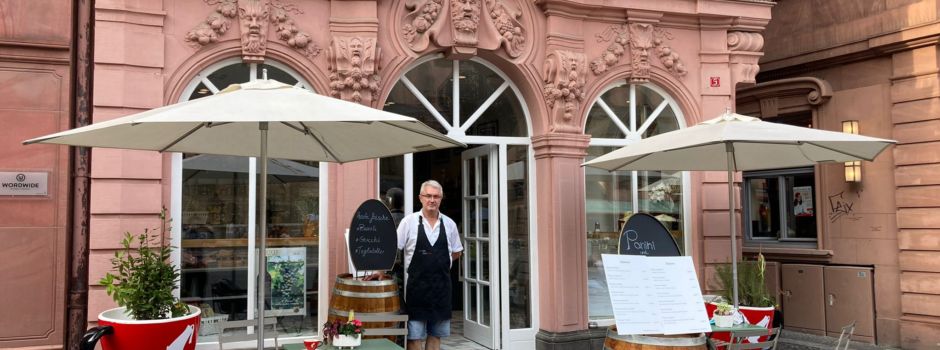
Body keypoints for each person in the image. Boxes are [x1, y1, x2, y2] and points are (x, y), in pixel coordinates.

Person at [397, 180, 463, 350]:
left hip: (441, 291)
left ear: (441, 198)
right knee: (414, 337)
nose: (432, 200)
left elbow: (457, 252)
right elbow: (394, 248)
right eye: (428, 196)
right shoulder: (408, 222)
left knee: (435, 335)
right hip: (416, 291)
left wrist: (439, 262)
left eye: (436, 196)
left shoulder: (449, 224)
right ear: (420, 198)